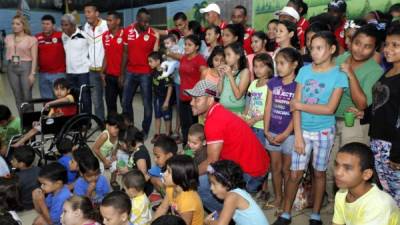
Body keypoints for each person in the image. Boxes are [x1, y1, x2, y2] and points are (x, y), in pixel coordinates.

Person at [273, 31, 348, 225]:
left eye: (319, 48)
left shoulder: (339, 75)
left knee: (319, 172)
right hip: (303, 130)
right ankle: (286, 213)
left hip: (324, 131)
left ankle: (315, 215)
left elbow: (329, 109)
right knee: (295, 173)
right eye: (312, 48)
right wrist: (298, 136)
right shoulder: (304, 72)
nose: (314, 52)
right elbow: (294, 107)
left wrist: (299, 105)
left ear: (331, 49)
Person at [186, 79, 270, 212]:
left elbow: (211, 161)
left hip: (251, 171)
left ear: (210, 99)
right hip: (256, 165)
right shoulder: (217, 110)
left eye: (197, 99)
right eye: (192, 99)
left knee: (199, 184)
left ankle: (230, 216)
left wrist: (187, 174)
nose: (191, 102)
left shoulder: (214, 120)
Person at [327, 24, 384, 201]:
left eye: (367, 46)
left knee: (352, 172)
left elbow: (361, 103)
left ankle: (354, 207)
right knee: (331, 167)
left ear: (375, 49)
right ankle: (334, 205)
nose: (360, 49)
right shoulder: (341, 58)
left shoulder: (375, 71)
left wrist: (351, 74)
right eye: (358, 43)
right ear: (351, 41)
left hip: (354, 125)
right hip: (330, 120)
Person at [354, 21, 400, 206]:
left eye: (395, 45)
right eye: (387, 44)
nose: (388, 49)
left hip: (393, 146)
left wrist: (397, 153)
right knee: (385, 194)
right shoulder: (389, 71)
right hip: (378, 141)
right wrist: (363, 114)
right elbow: (384, 106)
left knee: (396, 195)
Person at [263, 48, 302, 211]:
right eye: (277, 63)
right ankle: (278, 198)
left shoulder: (298, 85)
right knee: (275, 168)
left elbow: (296, 112)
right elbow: (268, 106)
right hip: (272, 131)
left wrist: (286, 133)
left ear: (294, 65)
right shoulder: (273, 82)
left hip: (290, 135)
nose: (278, 67)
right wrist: (266, 130)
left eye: (282, 63)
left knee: (287, 169)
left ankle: (288, 200)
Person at [332, 143, 400, 225]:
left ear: (366, 174)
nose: (338, 173)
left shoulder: (378, 205)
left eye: (347, 168)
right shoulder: (341, 194)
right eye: (336, 165)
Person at [121, 8, 158, 136]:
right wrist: (122, 73)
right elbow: (125, 53)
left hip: (146, 73)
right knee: (125, 102)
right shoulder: (127, 31)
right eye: (143, 22)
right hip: (130, 71)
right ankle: (130, 127)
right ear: (137, 19)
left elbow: (156, 55)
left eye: (148, 22)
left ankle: (145, 130)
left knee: (147, 103)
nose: (146, 25)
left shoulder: (152, 34)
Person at [12, 78, 77, 148]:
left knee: (36, 128)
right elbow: (49, 116)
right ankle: (23, 140)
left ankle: (21, 142)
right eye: (56, 89)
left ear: (68, 90)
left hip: (67, 122)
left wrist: (50, 103)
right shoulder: (55, 104)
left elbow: (65, 100)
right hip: (56, 123)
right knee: (33, 123)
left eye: (62, 89)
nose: (59, 92)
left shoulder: (70, 97)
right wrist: (40, 122)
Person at [204, 160, 269, 225]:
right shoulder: (237, 192)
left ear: (227, 183)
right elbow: (224, 211)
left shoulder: (232, 197)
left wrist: (208, 222)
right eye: (210, 183)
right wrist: (214, 216)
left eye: (214, 184)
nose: (211, 188)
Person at [153, 155, 204, 225]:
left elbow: (184, 223)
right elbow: (163, 208)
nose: (164, 174)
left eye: (168, 171)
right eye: (165, 170)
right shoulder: (171, 187)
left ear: (180, 176)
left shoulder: (188, 201)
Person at [5, 15, 38, 113]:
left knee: (27, 95)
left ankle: (31, 122)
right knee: (17, 96)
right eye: (13, 23)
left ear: (23, 26)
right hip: (11, 67)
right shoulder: (8, 38)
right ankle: (23, 122)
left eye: (17, 24)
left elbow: (34, 58)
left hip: (26, 67)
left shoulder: (31, 39)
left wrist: (32, 73)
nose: (14, 26)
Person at [178, 35, 207, 145]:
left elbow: (204, 76)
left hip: (194, 99)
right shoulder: (184, 58)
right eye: (185, 44)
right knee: (184, 124)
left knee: (193, 126)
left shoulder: (200, 60)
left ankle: (195, 149)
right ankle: (187, 147)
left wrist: (197, 95)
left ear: (197, 47)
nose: (186, 47)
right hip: (182, 96)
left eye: (189, 45)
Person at [61, 13, 91, 115]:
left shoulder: (85, 35)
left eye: (66, 25)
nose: (63, 27)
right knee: (72, 98)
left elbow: (95, 49)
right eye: (62, 25)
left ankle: (86, 121)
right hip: (69, 73)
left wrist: (89, 63)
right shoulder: (63, 36)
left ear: (73, 25)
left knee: (85, 98)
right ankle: (75, 120)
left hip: (83, 72)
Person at [83, 2, 108, 121]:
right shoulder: (86, 27)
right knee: (97, 100)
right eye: (85, 12)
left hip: (107, 70)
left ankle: (113, 124)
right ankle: (101, 122)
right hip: (92, 71)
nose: (86, 15)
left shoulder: (106, 25)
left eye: (89, 12)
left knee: (110, 100)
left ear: (96, 13)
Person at [243, 53, 274, 147]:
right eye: (255, 66)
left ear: (269, 67)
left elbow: (271, 109)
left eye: (261, 66)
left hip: (261, 125)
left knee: (261, 151)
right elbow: (248, 100)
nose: (257, 69)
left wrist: (255, 119)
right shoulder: (253, 83)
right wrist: (244, 116)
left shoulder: (272, 84)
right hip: (249, 123)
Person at [35, 14, 66, 99]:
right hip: (43, 74)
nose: (45, 26)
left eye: (48, 24)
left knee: (60, 101)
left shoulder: (61, 36)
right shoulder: (37, 37)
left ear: (53, 25)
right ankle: (49, 113)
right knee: (46, 101)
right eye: (43, 24)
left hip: (59, 74)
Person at [117, 127, 153, 196]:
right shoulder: (135, 149)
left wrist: (127, 171)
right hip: (134, 183)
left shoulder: (140, 155)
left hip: (140, 188)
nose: (121, 145)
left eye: (122, 143)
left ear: (130, 142)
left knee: (120, 199)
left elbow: (143, 175)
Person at [148, 52, 173, 143]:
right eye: (148, 61)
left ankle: (167, 134)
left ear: (158, 61)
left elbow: (170, 86)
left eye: (151, 61)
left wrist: (166, 101)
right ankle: (157, 134)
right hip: (157, 98)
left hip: (164, 98)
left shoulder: (165, 72)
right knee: (157, 116)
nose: (149, 63)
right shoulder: (154, 71)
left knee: (167, 117)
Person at [102, 11, 124, 117]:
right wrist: (102, 72)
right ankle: (112, 129)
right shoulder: (105, 36)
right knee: (110, 105)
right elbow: (106, 55)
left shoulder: (125, 34)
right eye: (107, 20)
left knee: (126, 105)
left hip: (123, 77)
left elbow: (128, 55)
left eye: (110, 20)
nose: (107, 23)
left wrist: (122, 74)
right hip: (109, 77)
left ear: (118, 21)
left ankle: (129, 130)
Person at [218, 42, 250, 114]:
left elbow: (238, 96)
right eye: (225, 55)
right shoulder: (228, 70)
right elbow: (219, 92)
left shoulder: (245, 72)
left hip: (236, 112)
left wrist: (230, 75)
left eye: (229, 55)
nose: (226, 58)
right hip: (222, 110)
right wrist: (221, 77)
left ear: (238, 55)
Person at [10, 145, 41, 210]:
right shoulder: (39, 170)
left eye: (13, 160)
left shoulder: (17, 178)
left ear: (22, 164)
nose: (11, 161)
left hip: (25, 207)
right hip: (38, 202)